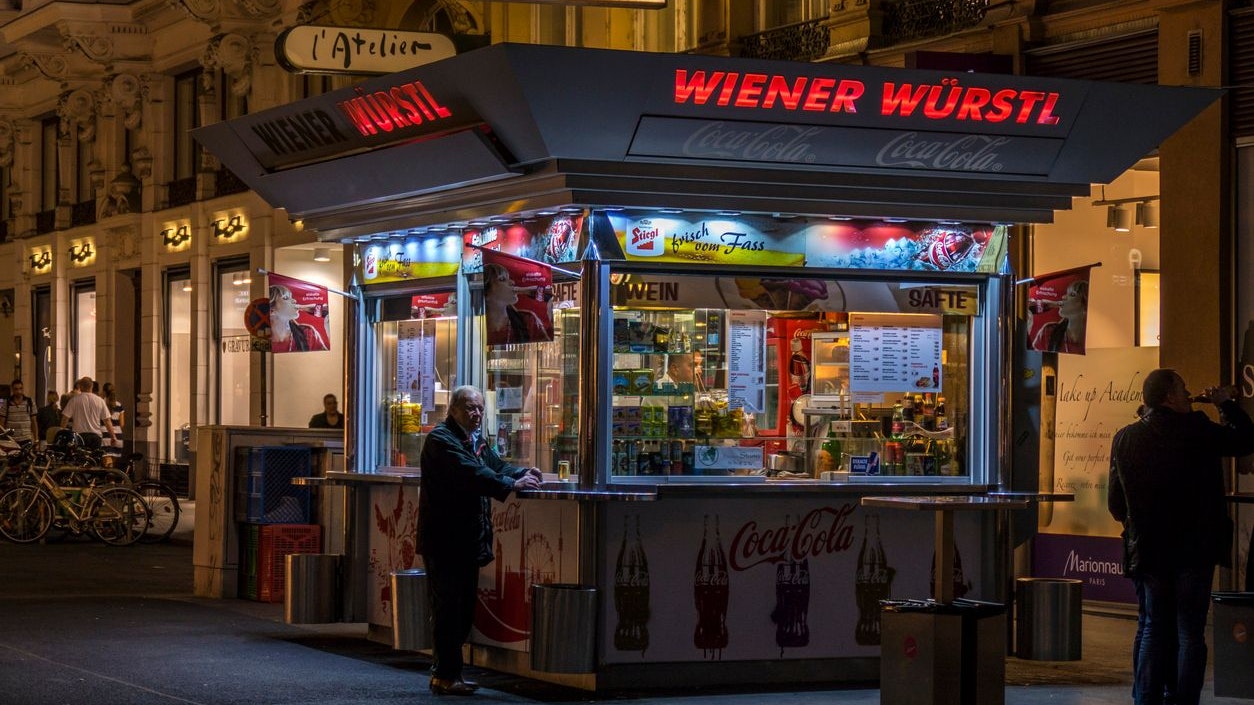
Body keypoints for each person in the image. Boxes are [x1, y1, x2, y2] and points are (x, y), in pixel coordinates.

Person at [1108, 369, 1254, 705]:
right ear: (1169, 397)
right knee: (1190, 631)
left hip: (1149, 550)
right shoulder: (1198, 430)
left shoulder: (1126, 438)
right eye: (1183, 388)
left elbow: (1115, 502)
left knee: (1152, 627)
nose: (1189, 393)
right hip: (1194, 550)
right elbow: (1246, 440)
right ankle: (1185, 699)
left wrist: (1136, 524)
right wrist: (1226, 404)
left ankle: (1146, 699)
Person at [417, 385, 541, 696]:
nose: (476, 414)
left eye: (480, 409)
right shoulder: (441, 439)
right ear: (453, 410)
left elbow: (496, 467)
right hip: (445, 540)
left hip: (468, 540)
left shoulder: (475, 440)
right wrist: (512, 483)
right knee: (448, 609)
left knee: (462, 610)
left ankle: (449, 673)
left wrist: (523, 473)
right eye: (470, 408)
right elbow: (471, 473)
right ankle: (445, 675)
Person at [483, 263, 547, 346]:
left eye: (509, 278)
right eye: (502, 279)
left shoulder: (528, 320)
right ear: (487, 293)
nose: (512, 282)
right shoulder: (475, 325)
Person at [1031, 280, 1088, 354]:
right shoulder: (1048, 331)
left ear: (1085, 305)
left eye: (1072, 294)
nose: (1063, 297)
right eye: (1067, 293)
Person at [60, 376, 117, 449]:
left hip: (79, 436)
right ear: (92, 386)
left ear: (80, 386)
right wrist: (113, 436)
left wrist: (61, 432)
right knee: (95, 455)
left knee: (80, 455)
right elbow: (107, 420)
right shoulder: (100, 401)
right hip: (96, 436)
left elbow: (65, 418)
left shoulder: (74, 400)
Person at [269, 284, 329, 353]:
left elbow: (325, 357)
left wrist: (328, 331)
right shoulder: (265, 340)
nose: (294, 301)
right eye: (285, 298)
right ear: (271, 310)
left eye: (291, 297)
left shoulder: (307, 333)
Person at [0, 379, 38, 445]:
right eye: (16, 389)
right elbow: (2, 423)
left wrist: (36, 439)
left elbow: (34, 422)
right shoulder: (7, 403)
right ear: (12, 390)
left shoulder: (30, 402)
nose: (19, 391)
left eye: (20, 388)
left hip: (26, 438)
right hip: (11, 439)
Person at [102, 382, 125, 449]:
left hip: (105, 434)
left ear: (104, 392)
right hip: (118, 435)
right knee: (116, 455)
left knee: (106, 455)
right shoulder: (119, 405)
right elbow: (122, 424)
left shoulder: (102, 404)